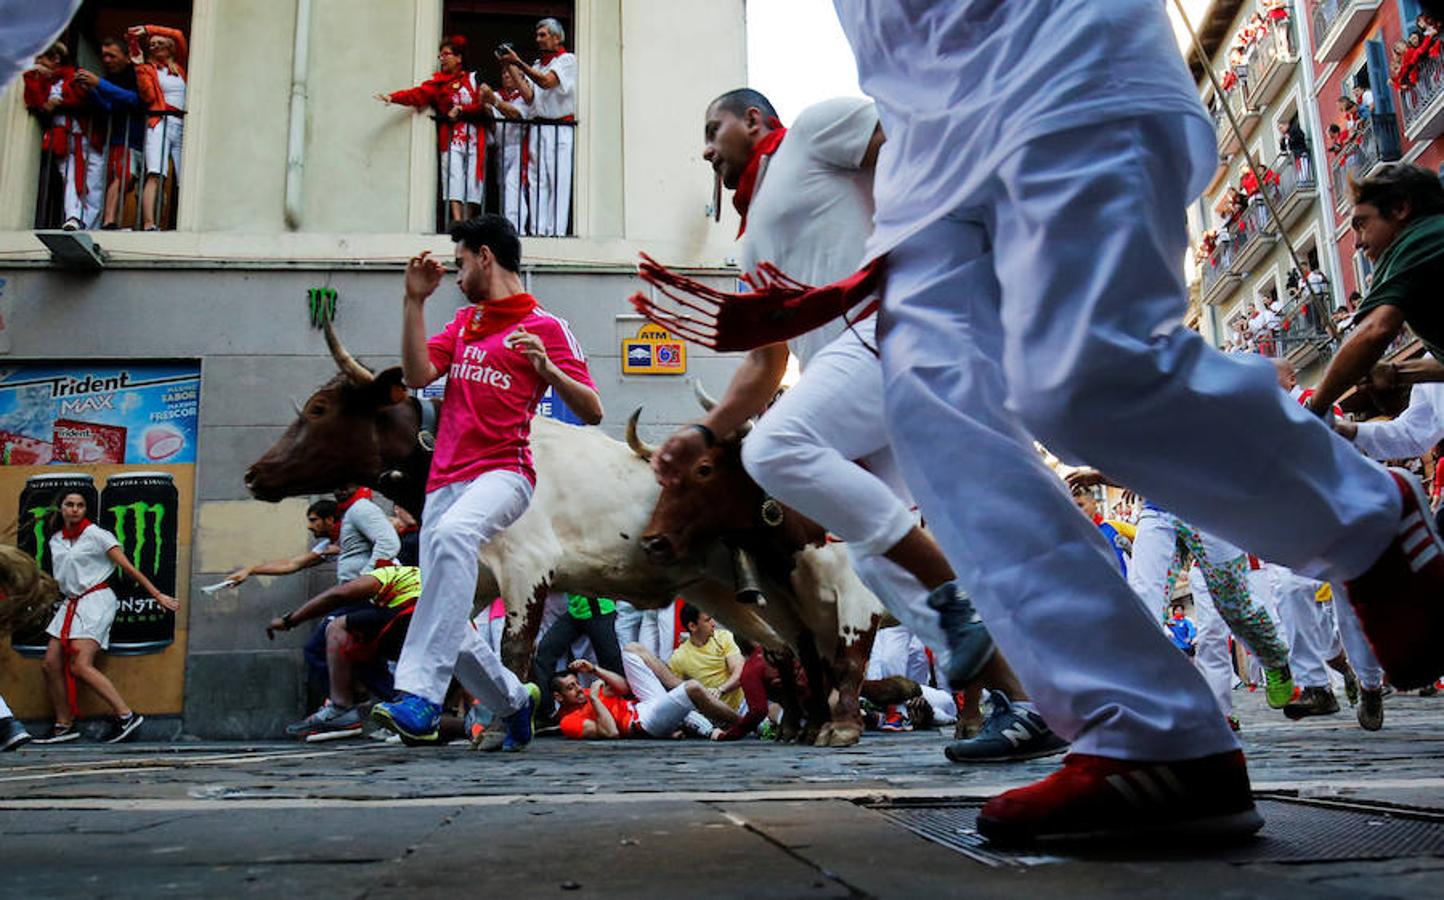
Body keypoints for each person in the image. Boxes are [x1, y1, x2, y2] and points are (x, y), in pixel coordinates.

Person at [820, 0, 1444, 844]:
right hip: (924, 151)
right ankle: (1153, 733)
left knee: (1080, 375)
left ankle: (1366, 515)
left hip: (1057, 59)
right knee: (931, 412)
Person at [644, 87, 1059, 763]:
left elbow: (913, 149)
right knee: (875, 559)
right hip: (857, 378)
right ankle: (1029, 705)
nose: (705, 147)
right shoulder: (749, 245)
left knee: (777, 448)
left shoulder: (812, 131)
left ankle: (959, 599)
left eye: (712, 128)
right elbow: (766, 361)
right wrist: (706, 432)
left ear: (754, 121)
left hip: (893, 330)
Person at [371, 214, 602, 749]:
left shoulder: (547, 327)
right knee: (443, 606)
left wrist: (550, 372)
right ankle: (515, 702)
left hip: (506, 472)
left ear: (484, 257)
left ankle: (421, 698)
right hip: (444, 481)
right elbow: (415, 377)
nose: (455, 277)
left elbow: (592, 409)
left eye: (459, 264)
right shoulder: (465, 324)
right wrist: (413, 303)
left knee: (454, 539)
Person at [32, 491, 179, 744]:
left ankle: (126, 716)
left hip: (96, 600)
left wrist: (157, 595)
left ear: (85, 510)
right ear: (61, 509)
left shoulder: (97, 535)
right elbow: (60, 578)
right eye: (70, 505)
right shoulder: (56, 540)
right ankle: (64, 724)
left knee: (80, 664)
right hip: (71, 603)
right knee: (50, 663)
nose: (75, 509)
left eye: (80, 505)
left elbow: (128, 567)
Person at [1308, 165, 1444, 415]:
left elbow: (1375, 331)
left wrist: (1313, 408)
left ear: (1401, 209)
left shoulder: (1413, 243)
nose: (1358, 243)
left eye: (1361, 224)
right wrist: (1397, 373)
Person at [269, 566, 421, 742]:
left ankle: (342, 708)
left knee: (338, 627)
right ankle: (425, 710)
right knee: (362, 648)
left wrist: (290, 620)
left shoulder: (387, 574)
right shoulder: (432, 574)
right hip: (441, 628)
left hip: (407, 616)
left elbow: (338, 594)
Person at [377, 36, 485, 227]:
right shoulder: (439, 84)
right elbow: (417, 94)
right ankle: (458, 220)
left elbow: (483, 106)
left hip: (474, 136)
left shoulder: (474, 79)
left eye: (446, 54)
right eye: (440, 55)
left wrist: (462, 110)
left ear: (459, 58)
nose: (442, 58)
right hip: (452, 138)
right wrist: (392, 98)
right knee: (453, 174)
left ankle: (470, 221)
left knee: (472, 178)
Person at [499, 18, 576, 236]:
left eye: (543, 35)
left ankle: (556, 232)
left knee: (557, 180)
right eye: (538, 35)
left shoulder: (567, 60)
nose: (538, 39)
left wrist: (519, 62)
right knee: (536, 180)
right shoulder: (536, 64)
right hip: (539, 127)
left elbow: (547, 82)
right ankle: (538, 229)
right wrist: (511, 66)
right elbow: (529, 95)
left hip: (560, 128)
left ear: (556, 37)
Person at [552, 656, 731, 740]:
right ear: (559, 697)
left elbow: (623, 687)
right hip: (643, 723)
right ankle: (744, 723)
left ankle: (698, 725)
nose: (578, 689)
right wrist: (595, 699)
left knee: (632, 650)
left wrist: (594, 670)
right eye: (571, 688)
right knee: (692, 688)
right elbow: (611, 732)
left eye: (576, 683)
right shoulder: (569, 721)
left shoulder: (586, 691)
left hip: (644, 705)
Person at [75, 37, 145, 230]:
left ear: (127, 57)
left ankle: (112, 219)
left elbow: (134, 99)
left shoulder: (137, 76)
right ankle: (108, 220)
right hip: (121, 139)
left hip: (137, 138)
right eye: (104, 56)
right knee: (123, 176)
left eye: (112, 55)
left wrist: (98, 84)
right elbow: (109, 107)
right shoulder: (108, 81)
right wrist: (91, 90)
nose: (106, 60)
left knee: (128, 180)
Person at [22, 41, 90, 230]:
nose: (37, 62)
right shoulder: (43, 79)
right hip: (59, 135)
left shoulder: (72, 75)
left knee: (86, 180)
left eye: (40, 59)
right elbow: (34, 100)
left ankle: (83, 219)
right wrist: (33, 74)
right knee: (68, 175)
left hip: (80, 135)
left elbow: (79, 97)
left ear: (55, 59)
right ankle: (74, 217)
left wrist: (58, 102)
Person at [531, 593, 625, 724]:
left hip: (599, 610)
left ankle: (623, 711)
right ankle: (547, 715)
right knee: (544, 653)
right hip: (575, 612)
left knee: (612, 665)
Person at [128, 23, 187, 231]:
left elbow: (178, 33)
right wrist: (139, 68)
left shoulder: (180, 67)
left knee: (185, 175)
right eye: (152, 45)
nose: (155, 46)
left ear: (170, 47)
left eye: (160, 43)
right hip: (159, 122)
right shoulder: (147, 69)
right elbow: (148, 97)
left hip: (182, 125)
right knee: (155, 173)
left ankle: (183, 222)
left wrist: (148, 29)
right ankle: (149, 222)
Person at [483, 65, 532, 234]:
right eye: (503, 72)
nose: (506, 76)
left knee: (514, 186)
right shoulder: (496, 95)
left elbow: (517, 115)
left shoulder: (527, 97)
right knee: (504, 189)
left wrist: (494, 102)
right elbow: (491, 121)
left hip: (519, 148)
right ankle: (508, 227)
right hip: (501, 148)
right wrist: (486, 106)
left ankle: (517, 229)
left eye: (510, 73)